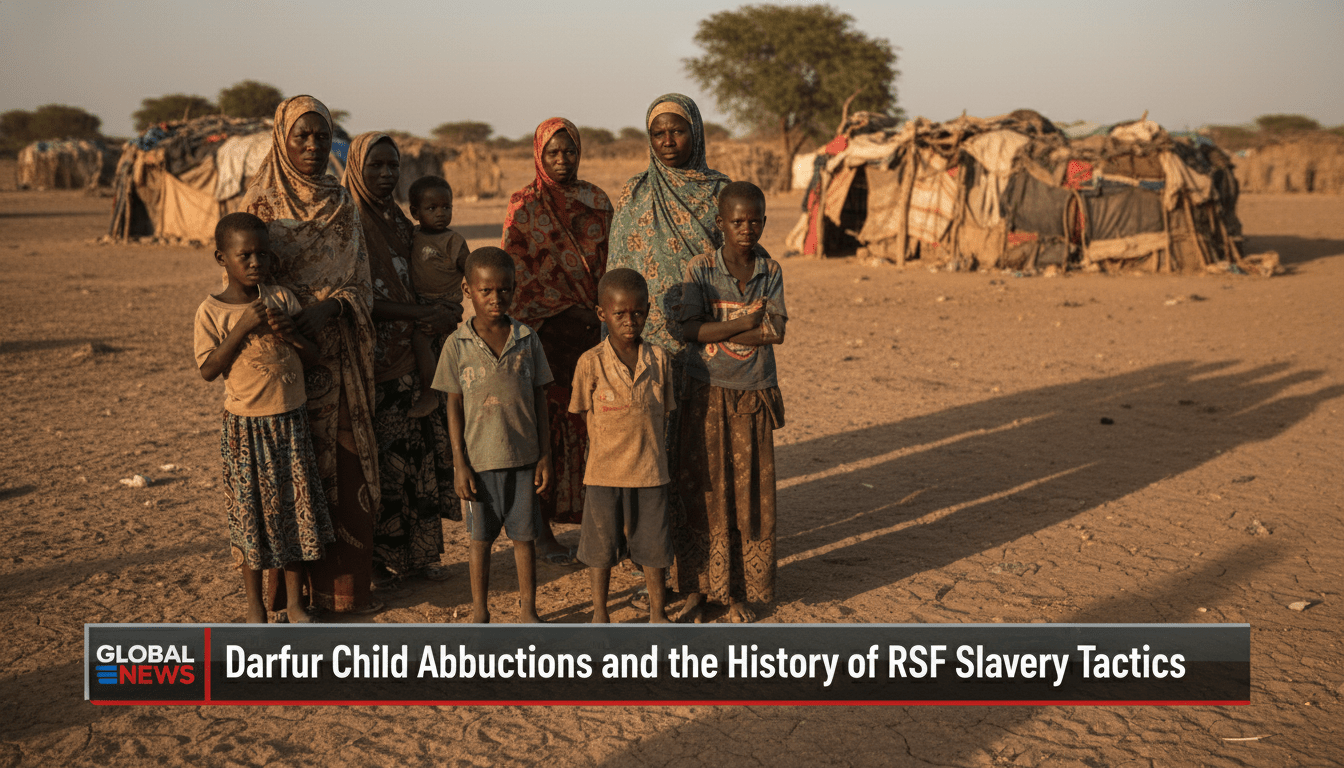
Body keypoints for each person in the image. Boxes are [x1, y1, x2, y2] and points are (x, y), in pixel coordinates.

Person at [242, 95, 380, 614]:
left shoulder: (341, 202)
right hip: (283, 364)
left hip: (339, 355)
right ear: (282, 138)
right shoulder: (261, 206)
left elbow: (359, 281)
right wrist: (289, 319)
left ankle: (343, 593)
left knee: (345, 470)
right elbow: (242, 286)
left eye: (321, 136)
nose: (313, 145)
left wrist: (334, 308)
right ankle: (287, 597)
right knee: (290, 476)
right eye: (301, 135)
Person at [195, 212, 333, 624]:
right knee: (251, 518)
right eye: (245, 255)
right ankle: (255, 606)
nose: (256, 262)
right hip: (246, 430)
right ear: (222, 258)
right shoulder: (211, 311)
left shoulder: (282, 298)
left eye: (264, 255)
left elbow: (314, 356)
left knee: (296, 514)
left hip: (290, 423)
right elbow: (207, 369)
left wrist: (289, 333)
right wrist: (243, 328)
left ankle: (294, 603)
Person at [344, 133, 462, 584]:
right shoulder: (349, 221)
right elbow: (356, 296)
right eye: (375, 165)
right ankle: (373, 561)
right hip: (371, 361)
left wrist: (441, 311)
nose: (385, 174)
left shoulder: (397, 219)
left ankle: (416, 556)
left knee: (415, 458)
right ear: (356, 166)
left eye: (392, 166)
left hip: (414, 354)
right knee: (377, 464)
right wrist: (421, 312)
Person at [501, 117, 613, 566]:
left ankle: (599, 531)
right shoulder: (523, 206)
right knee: (542, 434)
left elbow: (613, 261)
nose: (563, 160)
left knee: (597, 431)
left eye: (570, 151)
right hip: (544, 335)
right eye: (553, 153)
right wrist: (566, 308)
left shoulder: (596, 201)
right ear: (538, 155)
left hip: (595, 333)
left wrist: (600, 313)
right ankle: (541, 531)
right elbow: (515, 273)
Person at [676, 182, 787, 623]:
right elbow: (689, 331)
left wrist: (717, 328)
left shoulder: (770, 269)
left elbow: (775, 332)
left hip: (752, 393)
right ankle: (698, 588)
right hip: (705, 392)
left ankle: (737, 590)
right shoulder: (700, 268)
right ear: (720, 223)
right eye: (737, 221)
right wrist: (745, 323)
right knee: (703, 488)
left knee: (747, 493)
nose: (747, 228)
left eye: (755, 220)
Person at [433, 247, 553, 623]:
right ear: (468, 290)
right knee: (480, 541)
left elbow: (540, 399)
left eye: (504, 290)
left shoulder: (527, 339)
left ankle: (528, 610)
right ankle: (480, 611)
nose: (495, 298)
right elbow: (453, 405)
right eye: (486, 291)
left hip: (524, 458)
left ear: (515, 289)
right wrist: (459, 463)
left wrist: (545, 454)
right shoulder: (457, 344)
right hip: (479, 462)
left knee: (524, 539)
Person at [570, 268, 674, 624]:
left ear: (648, 310)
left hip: (650, 471)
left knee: (655, 548)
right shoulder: (590, 362)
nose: (631, 321)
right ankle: (600, 614)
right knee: (600, 549)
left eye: (639, 312)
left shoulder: (659, 360)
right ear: (602, 314)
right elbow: (585, 417)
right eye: (620, 314)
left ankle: (657, 614)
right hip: (603, 472)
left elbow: (664, 415)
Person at [407, 175, 469, 420]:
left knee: (422, 341)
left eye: (446, 207)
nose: (440, 213)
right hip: (420, 302)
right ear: (415, 212)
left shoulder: (453, 240)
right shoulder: (412, 236)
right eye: (431, 209)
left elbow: (470, 267)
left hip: (444, 304)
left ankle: (429, 393)